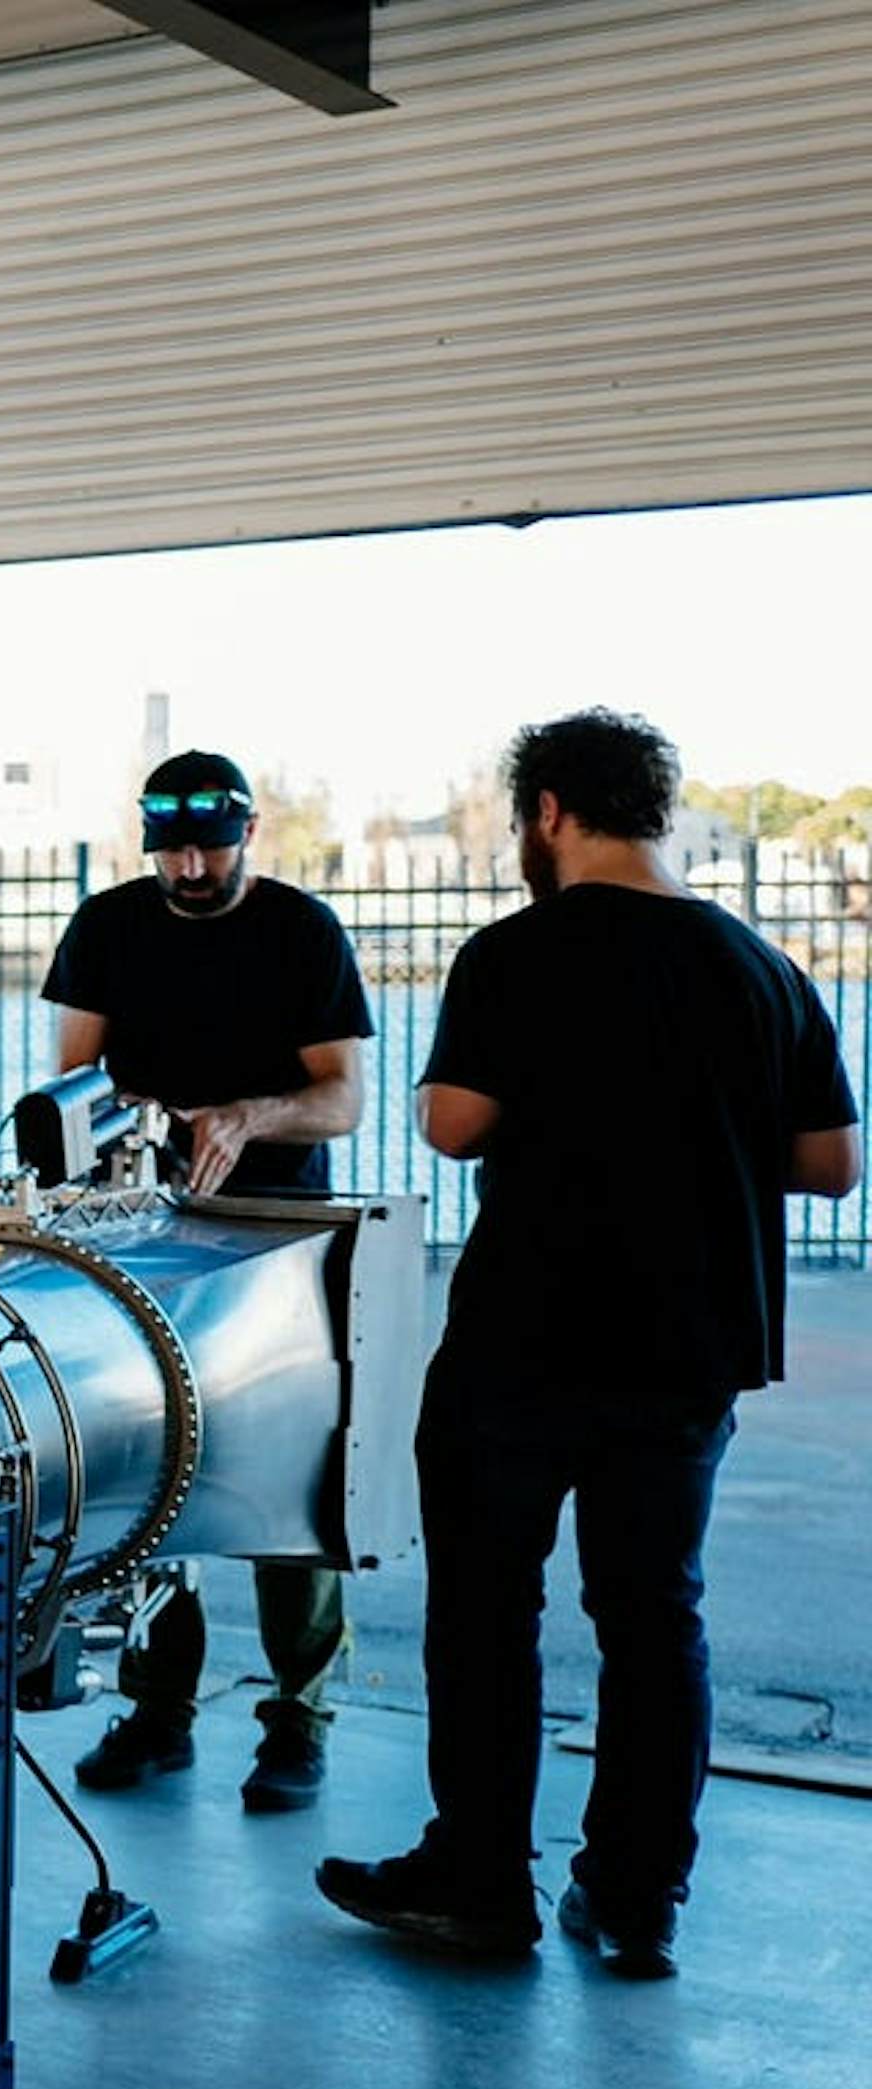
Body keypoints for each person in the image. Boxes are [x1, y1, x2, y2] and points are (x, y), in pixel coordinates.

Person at [320, 709, 859, 1978]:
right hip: (693, 1346)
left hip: (528, 1336)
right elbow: (832, 1166)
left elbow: (454, 1127)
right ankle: (634, 1898)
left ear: (548, 811)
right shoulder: (762, 966)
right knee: (654, 1614)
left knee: (489, 1610)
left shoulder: (516, 956)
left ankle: (479, 1881)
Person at [42, 749, 376, 1810]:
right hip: (144, 1229)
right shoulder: (107, 927)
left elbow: (342, 1101)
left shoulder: (302, 932)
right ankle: (157, 1707)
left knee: (296, 1477)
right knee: (154, 1469)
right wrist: (133, 1123)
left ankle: (299, 1719)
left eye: (209, 847)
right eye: (172, 851)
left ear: (248, 834)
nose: (190, 867)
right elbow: (72, 1082)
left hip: (282, 1232)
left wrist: (246, 1116)